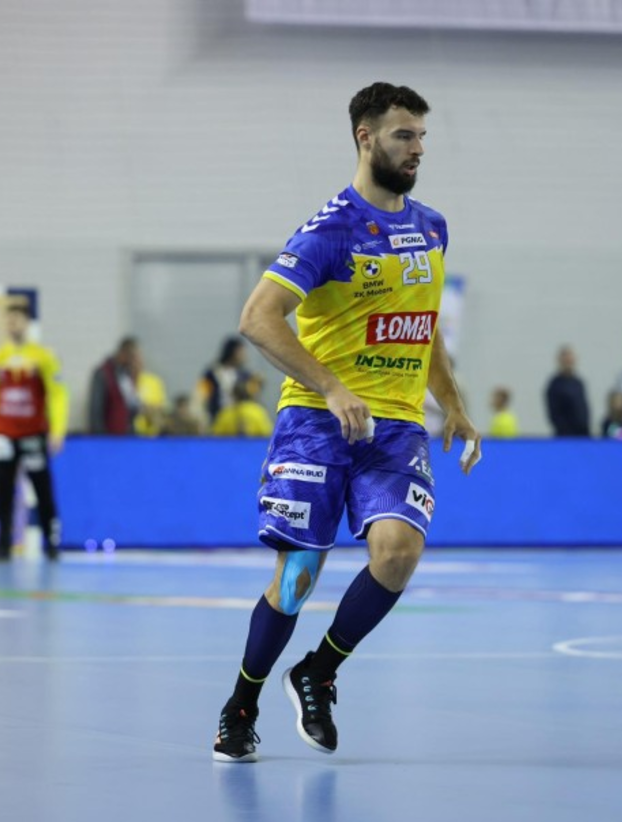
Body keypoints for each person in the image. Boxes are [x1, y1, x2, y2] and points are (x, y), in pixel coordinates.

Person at [211, 82, 481, 763]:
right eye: (403, 136)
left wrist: (453, 402)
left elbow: (424, 327)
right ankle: (241, 704)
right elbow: (257, 318)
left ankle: (320, 670)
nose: (417, 149)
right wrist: (330, 387)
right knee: (298, 575)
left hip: (395, 425)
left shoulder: (433, 227)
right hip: (317, 419)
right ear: (365, 137)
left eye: (421, 137)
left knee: (399, 552)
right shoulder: (329, 231)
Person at [0, 302, 67, 561]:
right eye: (9, 320)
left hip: (33, 434)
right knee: (3, 492)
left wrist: (57, 430)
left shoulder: (43, 357)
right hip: (4, 434)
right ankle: (2, 546)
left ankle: (51, 543)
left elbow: (58, 395)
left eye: (17, 319)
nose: (12, 324)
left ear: (27, 324)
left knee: (43, 489)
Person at [88, 337, 141, 435]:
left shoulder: (127, 374)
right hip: (109, 436)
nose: (134, 361)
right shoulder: (102, 373)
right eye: (132, 357)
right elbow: (96, 410)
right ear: (123, 354)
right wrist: (99, 437)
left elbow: (132, 408)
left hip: (127, 434)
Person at [197, 336, 252, 427]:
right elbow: (201, 395)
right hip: (217, 418)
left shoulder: (245, 375)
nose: (244, 355)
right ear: (232, 352)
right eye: (241, 352)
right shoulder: (212, 373)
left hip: (239, 419)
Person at [544, 345, 590, 437]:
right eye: (566, 359)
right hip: (565, 435)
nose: (568, 362)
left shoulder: (578, 383)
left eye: (570, 359)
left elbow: (584, 408)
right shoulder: (555, 385)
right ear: (560, 361)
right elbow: (554, 414)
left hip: (583, 434)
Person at [133, 346, 168, 436]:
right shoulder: (122, 383)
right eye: (133, 360)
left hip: (152, 433)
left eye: (138, 360)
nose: (135, 364)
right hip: (128, 433)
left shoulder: (154, 381)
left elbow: (162, 407)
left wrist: (148, 409)